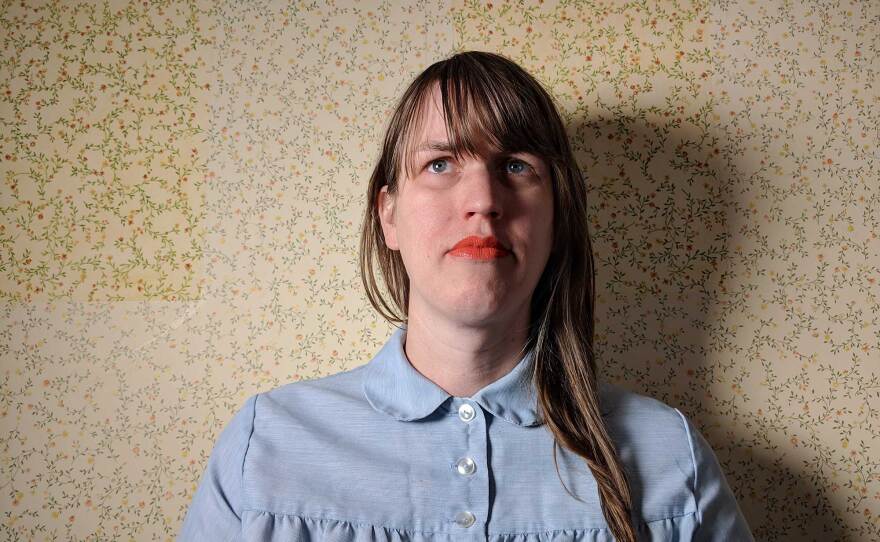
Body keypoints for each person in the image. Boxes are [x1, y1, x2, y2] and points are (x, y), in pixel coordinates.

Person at [178, 51, 755, 541]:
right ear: (389, 216)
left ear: (555, 218)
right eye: (440, 163)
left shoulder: (670, 458)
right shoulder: (267, 444)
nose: (483, 198)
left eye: (515, 165)